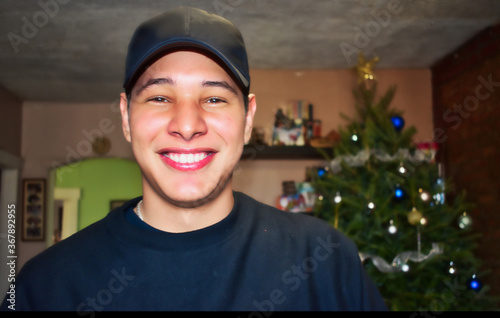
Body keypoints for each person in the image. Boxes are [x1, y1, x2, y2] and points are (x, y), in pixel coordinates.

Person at [1, 7, 387, 312]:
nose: (187, 125)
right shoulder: (45, 286)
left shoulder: (326, 262)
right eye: (159, 97)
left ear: (248, 118)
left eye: (215, 98)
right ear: (125, 117)